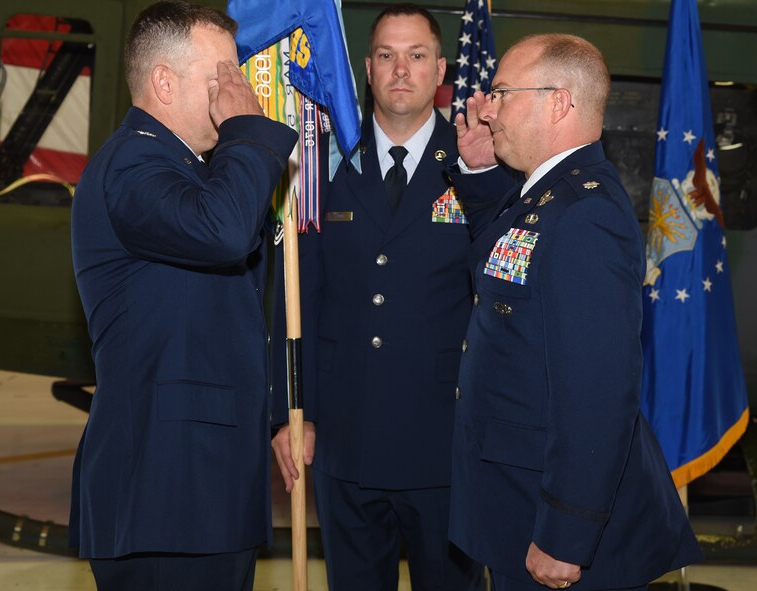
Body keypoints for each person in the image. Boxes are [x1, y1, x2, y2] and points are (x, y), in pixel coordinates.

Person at [270, 4, 513, 590]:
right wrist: (292, 410)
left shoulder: (479, 168)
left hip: (445, 447)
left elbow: (505, 291)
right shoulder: (320, 169)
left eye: (416, 55)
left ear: (441, 70)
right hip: (346, 444)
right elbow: (300, 300)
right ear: (367, 69)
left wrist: (482, 179)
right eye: (386, 56)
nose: (401, 69)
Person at [447, 33, 702, 590]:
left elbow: (598, 391)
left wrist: (567, 532)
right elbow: (500, 275)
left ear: (558, 102)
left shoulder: (585, 215)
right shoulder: (544, 196)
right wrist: (484, 177)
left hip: (556, 526)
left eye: (502, 92)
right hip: (519, 500)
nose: (487, 109)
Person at [68, 1, 297, 589]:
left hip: (203, 489)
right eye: (221, 74)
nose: (236, 89)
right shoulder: (133, 164)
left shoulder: (189, 168)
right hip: (164, 491)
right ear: (163, 83)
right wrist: (251, 131)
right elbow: (222, 232)